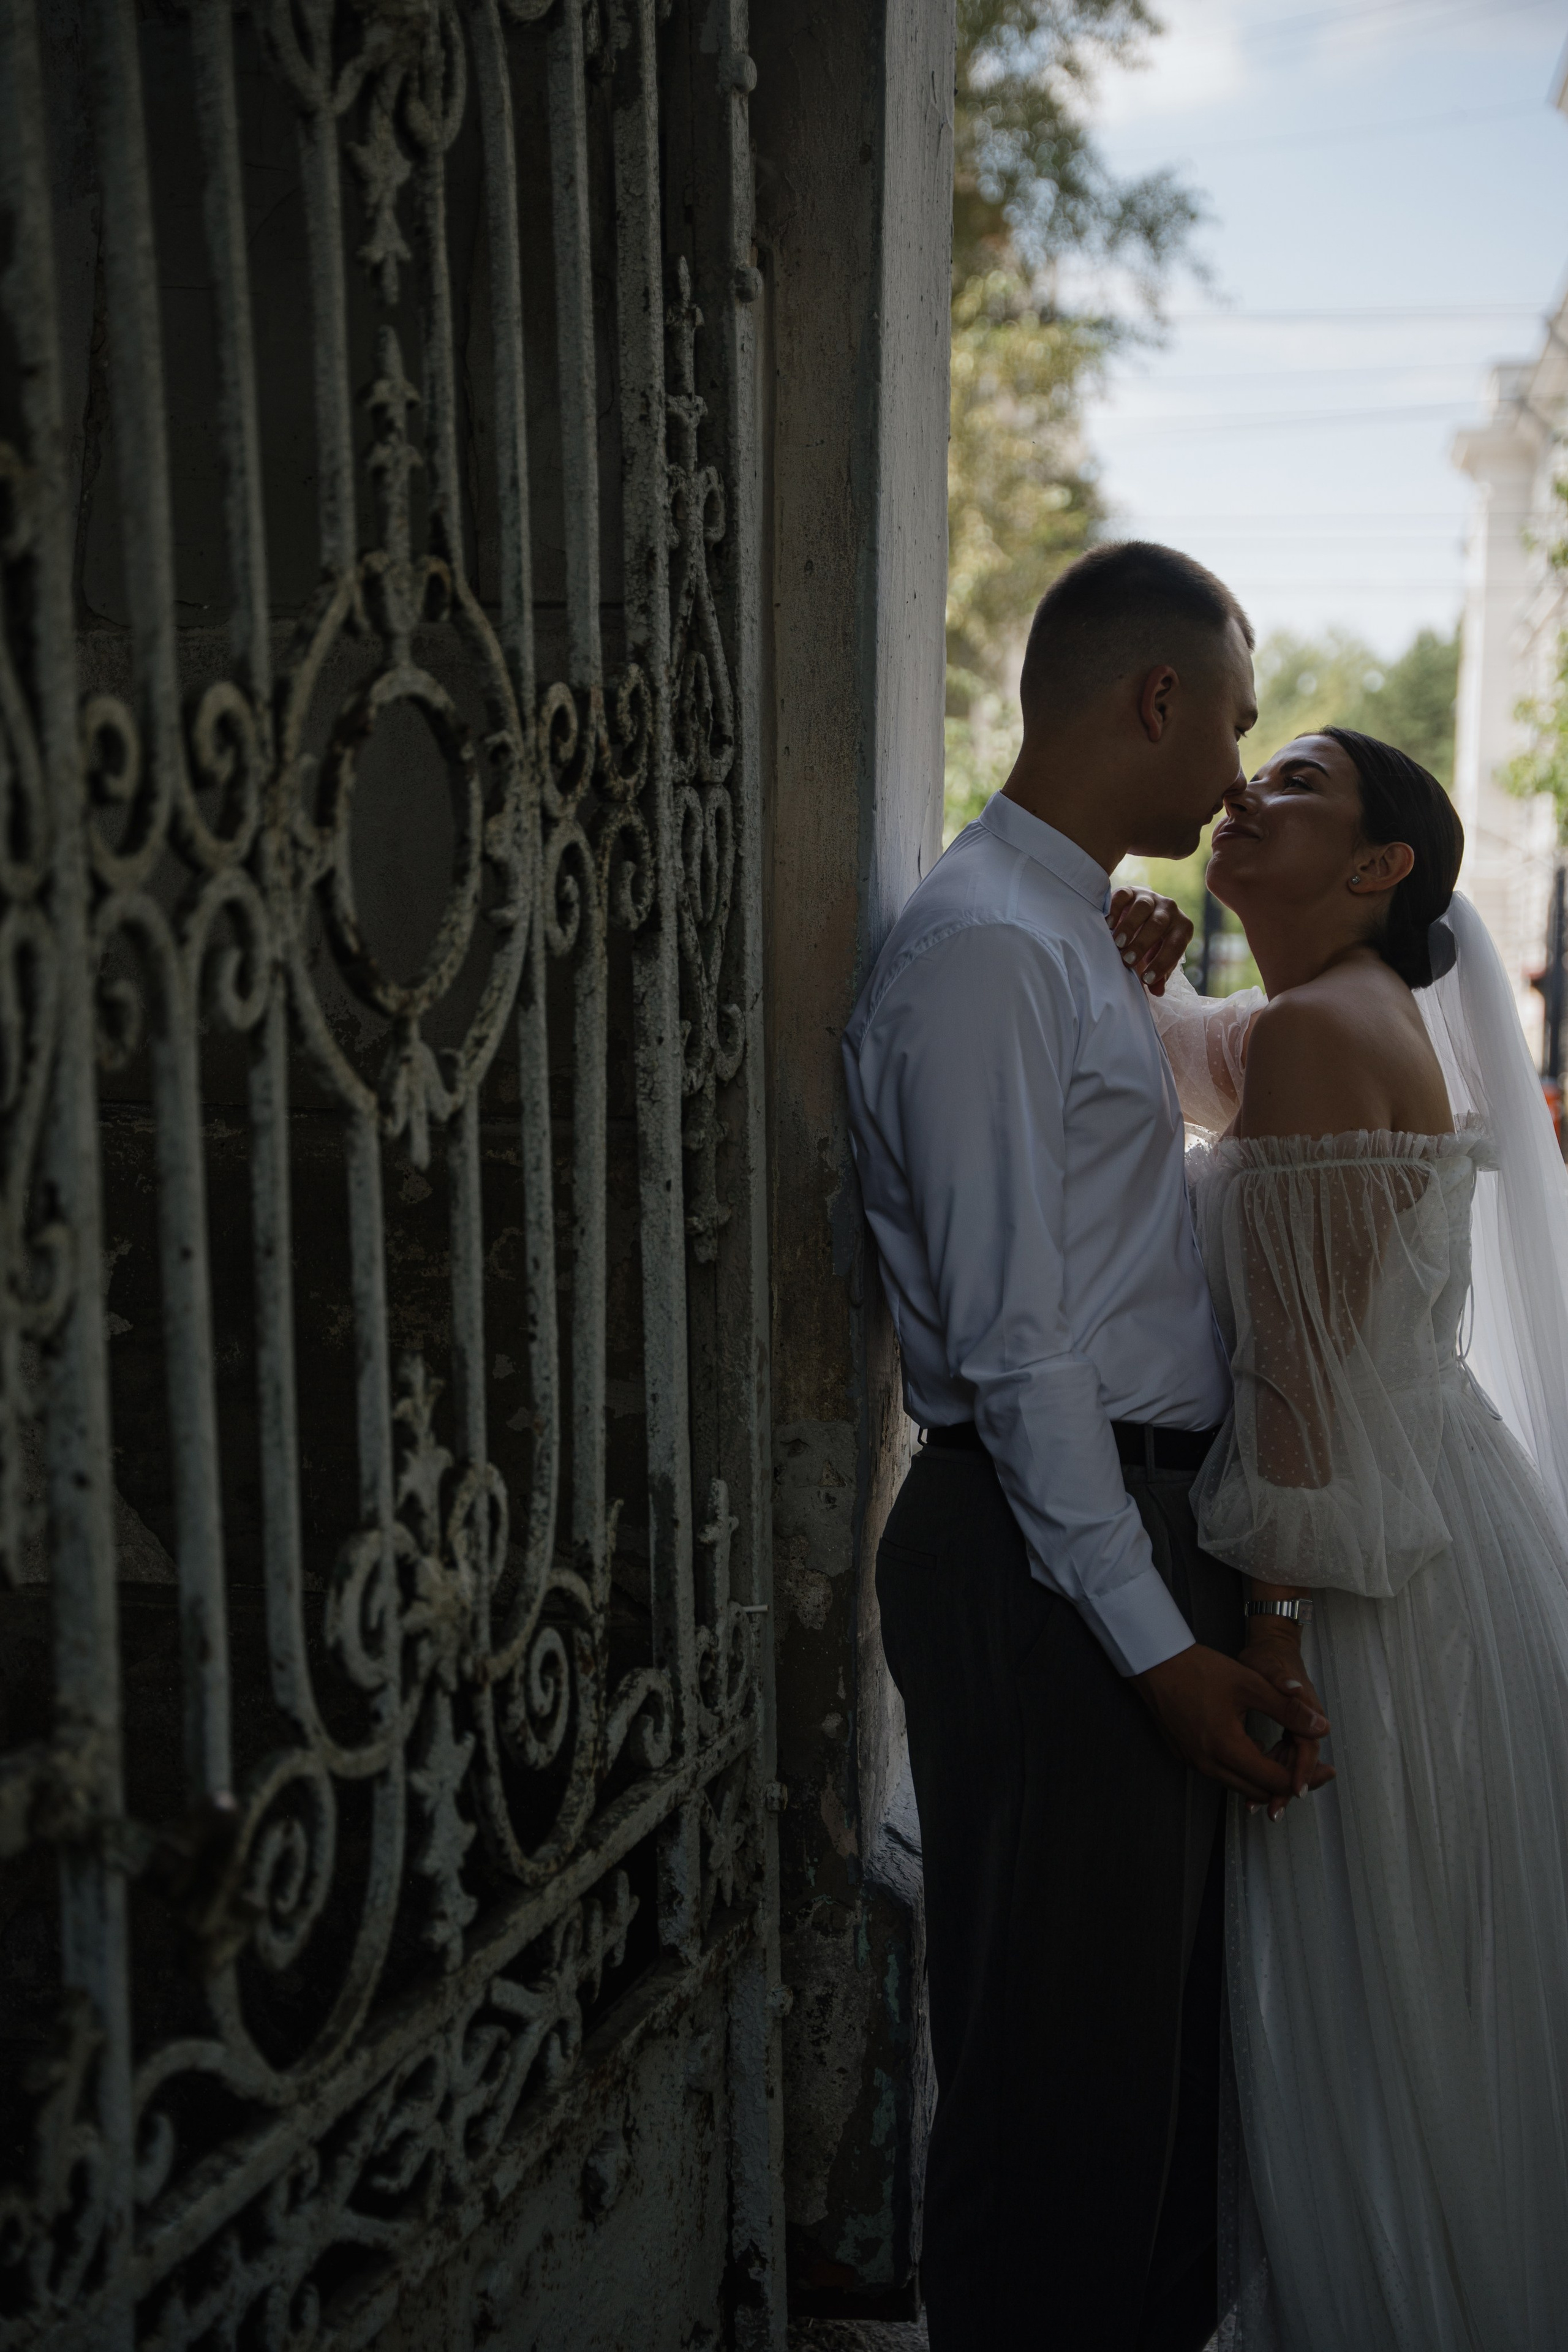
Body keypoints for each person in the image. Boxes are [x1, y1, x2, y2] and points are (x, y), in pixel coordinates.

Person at [842, 542, 1328, 2352]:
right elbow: (1018, 1346)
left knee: (1139, 2097)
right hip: (1056, 1561)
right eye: (1237, 722)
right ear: (1157, 702)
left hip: (1125, 1529)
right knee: (1057, 2106)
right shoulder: (982, 949)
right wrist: (1157, 1653)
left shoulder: (1070, 937)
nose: (1236, 769)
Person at [1136, 728, 1568, 2350]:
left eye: (1299, 782)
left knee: (1369, 1993)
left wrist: (1277, 1625)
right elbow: (1204, 1061)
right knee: (1418, 1995)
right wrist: (1129, 976)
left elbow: (1300, 1374)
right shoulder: (1331, 1018)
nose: (1247, 790)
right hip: (1430, 1517)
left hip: (1361, 1576)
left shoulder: (1332, 1027)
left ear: (1382, 868)